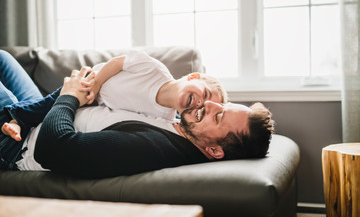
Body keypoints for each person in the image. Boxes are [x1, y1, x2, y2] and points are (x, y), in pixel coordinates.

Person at [0, 50, 274, 178]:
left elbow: (53, 149)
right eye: (221, 107)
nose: (211, 106)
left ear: (214, 151)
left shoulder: (155, 148)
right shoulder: (178, 123)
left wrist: (68, 96)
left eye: (218, 117)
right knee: (4, 59)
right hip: (37, 115)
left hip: (17, 145)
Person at [2, 49, 227, 141]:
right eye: (204, 94)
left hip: (88, 103)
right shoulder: (154, 69)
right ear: (192, 76)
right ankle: (18, 119)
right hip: (90, 81)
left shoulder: (164, 119)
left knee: (48, 107)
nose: (199, 104)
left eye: (202, 109)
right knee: (47, 100)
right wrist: (97, 82)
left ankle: (16, 120)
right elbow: (118, 63)